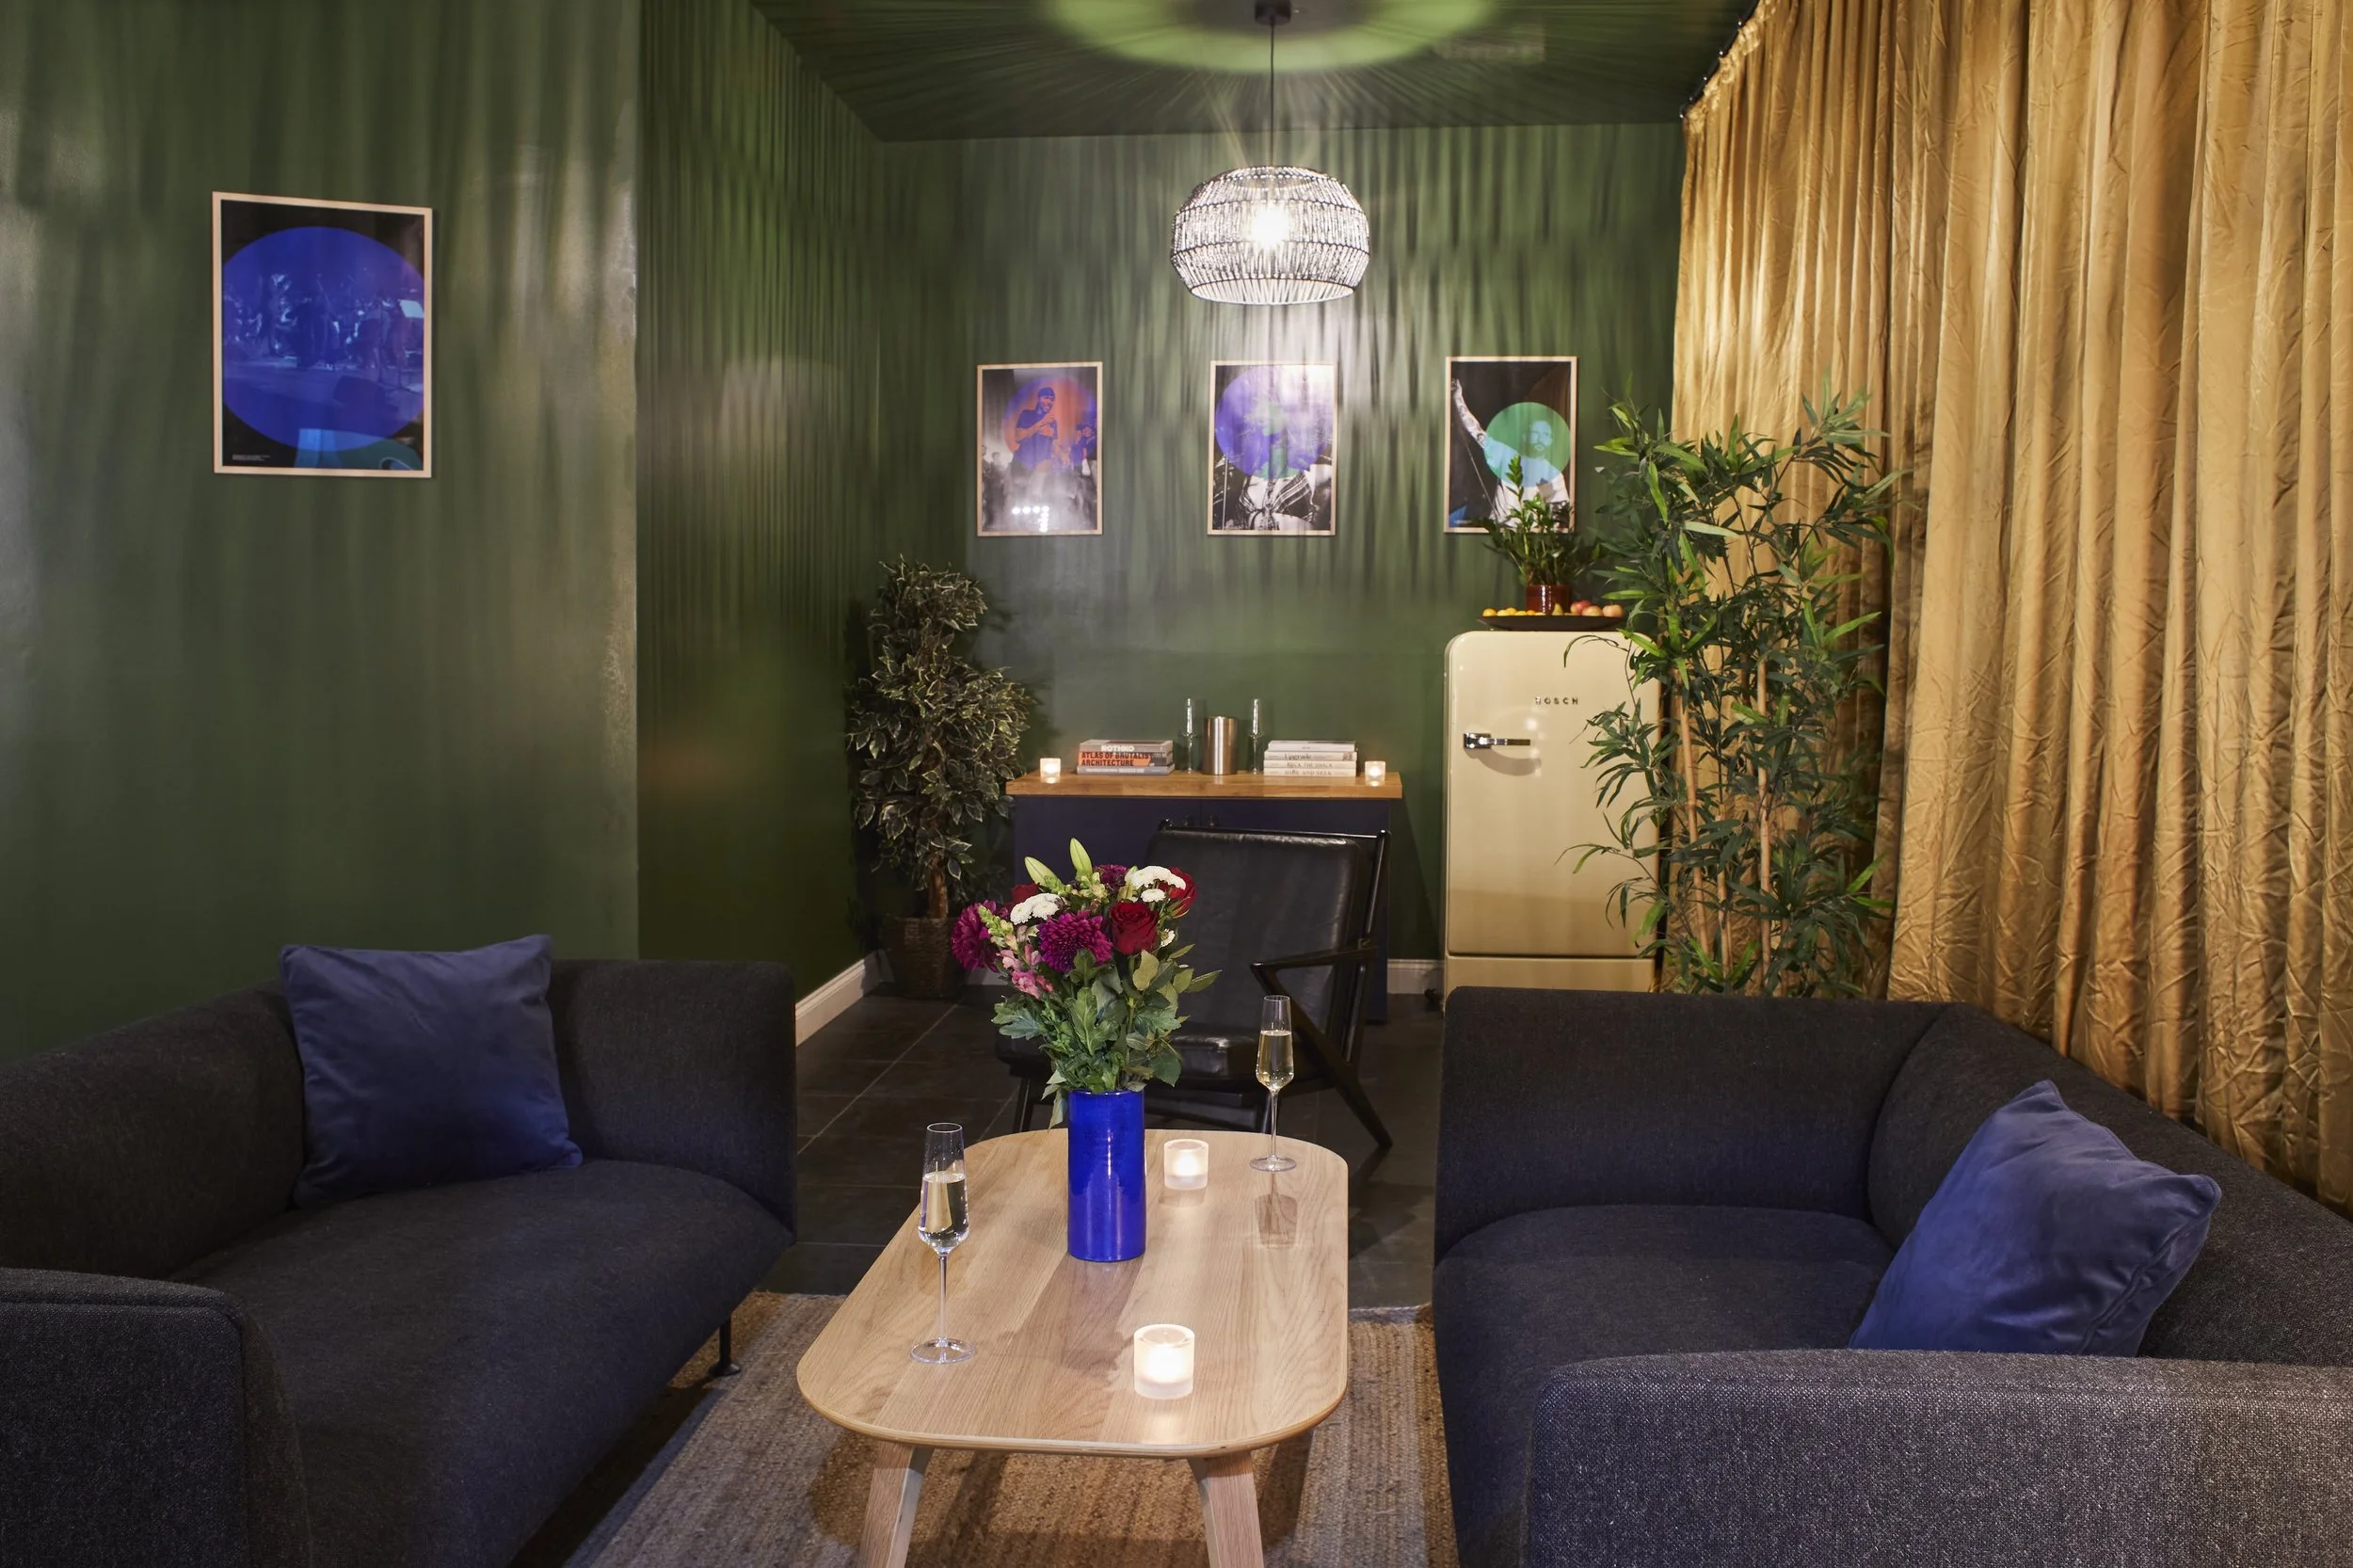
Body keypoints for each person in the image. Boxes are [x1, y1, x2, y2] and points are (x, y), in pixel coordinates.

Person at [1452, 379, 1570, 516]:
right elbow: (1475, 430)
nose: (1539, 439)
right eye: (1535, 433)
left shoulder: (1553, 474)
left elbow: (1560, 517)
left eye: (1544, 435)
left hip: (1527, 535)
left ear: (1550, 440)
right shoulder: (1504, 455)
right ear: (1525, 436)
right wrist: (1457, 398)